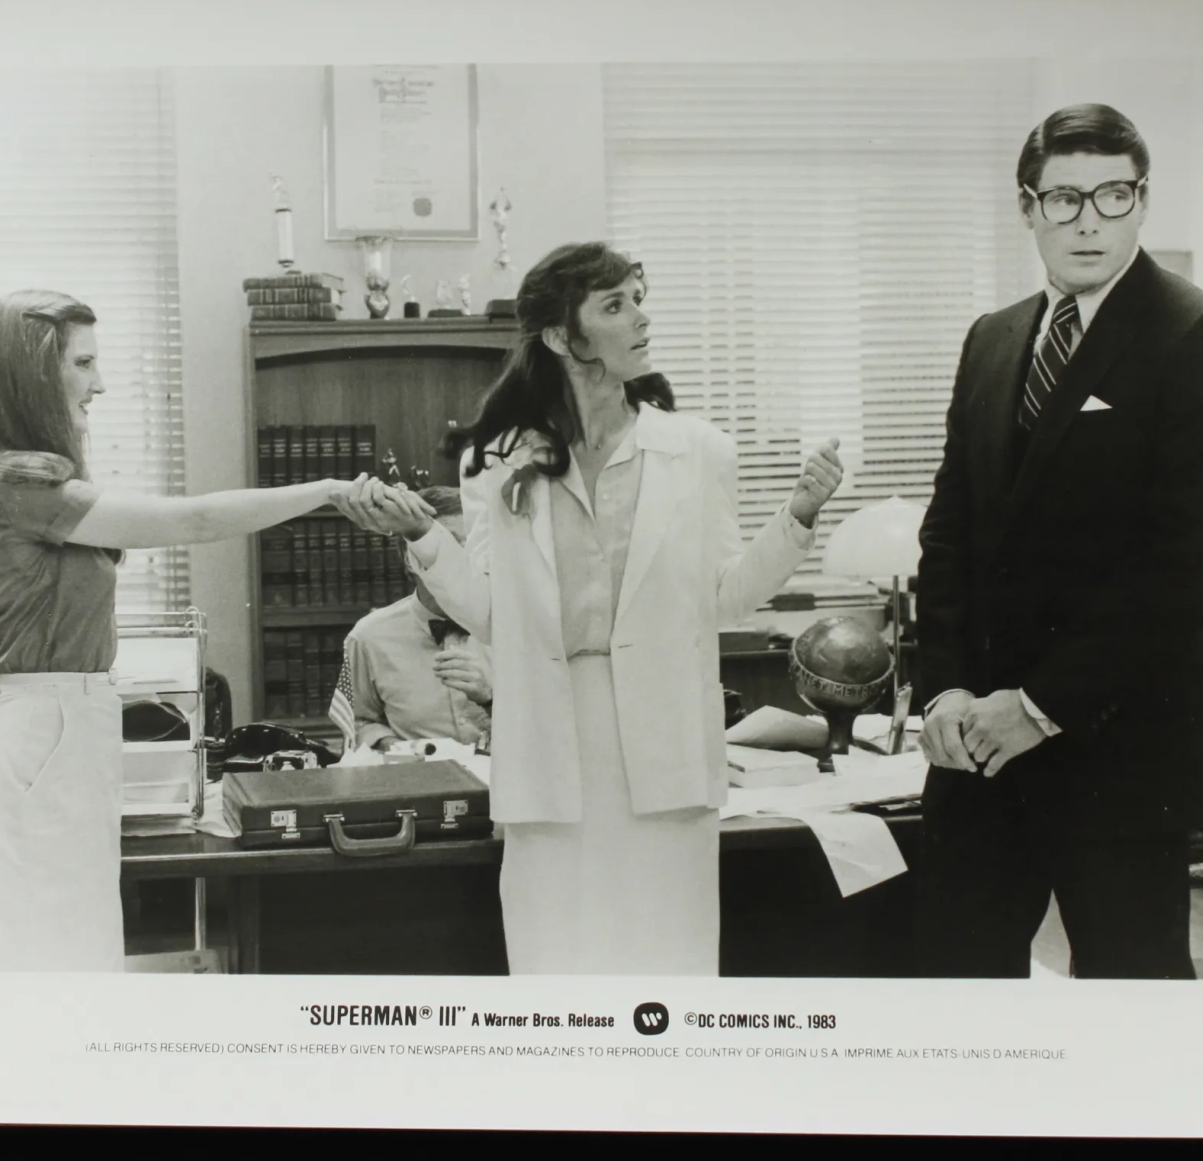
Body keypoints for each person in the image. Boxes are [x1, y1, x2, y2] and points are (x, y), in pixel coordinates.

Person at [335, 242, 843, 976]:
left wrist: (797, 515)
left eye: (639, 298)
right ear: (559, 336)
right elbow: (488, 615)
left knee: (669, 977)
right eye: (615, 305)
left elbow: (725, 598)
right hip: (548, 744)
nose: (641, 318)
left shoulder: (698, 450)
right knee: (557, 977)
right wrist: (421, 534)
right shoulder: (496, 460)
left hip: (666, 747)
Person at [0, 289, 427, 972]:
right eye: (82, 364)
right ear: (31, 375)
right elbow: (193, 521)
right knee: (47, 984)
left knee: (70, 976)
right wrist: (325, 491)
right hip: (43, 746)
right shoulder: (13, 483)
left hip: (60, 740)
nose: (100, 383)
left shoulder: (12, 482)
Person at [913, 104, 1203, 979]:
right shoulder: (990, 339)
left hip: (1118, 746)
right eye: (1064, 199)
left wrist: (1036, 706)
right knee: (954, 992)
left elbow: (1188, 560)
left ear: (1142, 202)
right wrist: (943, 687)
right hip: (976, 747)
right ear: (1027, 207)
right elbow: (948, 534)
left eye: (1113, 194)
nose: (1089, 219)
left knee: (1133, 1005)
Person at [331, 486, 494, 751]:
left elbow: (548, 719)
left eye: (472, 544)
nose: (464, 558)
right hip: (416, 783)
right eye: (450, 544)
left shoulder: (516, 629)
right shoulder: (367, 636)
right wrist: (391, 745)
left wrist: (490, 699)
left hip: (505, 784)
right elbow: (356, 720)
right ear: (411, 558)